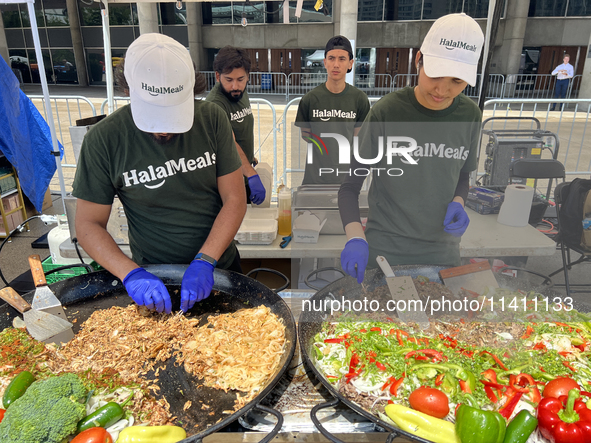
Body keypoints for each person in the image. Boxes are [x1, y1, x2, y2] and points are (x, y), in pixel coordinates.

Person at [72, 33, 246, 313]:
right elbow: (88, 225)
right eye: (154, 116)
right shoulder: (105, 140)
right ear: (128, 90)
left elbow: (235, 199)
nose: (164, 129)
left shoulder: (212, 119)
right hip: (152, 279)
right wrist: (130, 273)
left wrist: (205, 260)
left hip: (218, 267)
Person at [338, 13, 484, 283]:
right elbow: (349, 187)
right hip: (385, 255)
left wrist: (459, 202)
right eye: (436, 75)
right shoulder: (387, 112)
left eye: (457, 81)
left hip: (443, 255)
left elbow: (463, 174)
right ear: (419, 60)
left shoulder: (470, 115)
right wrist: (355, 238)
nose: (442, 90)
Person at [295, 36, 371, 185]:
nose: (336, 64)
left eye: (342, 59)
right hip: (314, 179)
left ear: (350, 63)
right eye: (331, 58)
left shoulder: (359, 99)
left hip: (346, 180)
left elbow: (357, 140)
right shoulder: (310, 99)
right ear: (325, 62)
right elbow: (306, 135)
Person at [206, 46, 266, 205]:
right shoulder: (215, 104)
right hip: (227, 184)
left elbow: (241, 126)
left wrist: (248, 156)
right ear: (218, 76)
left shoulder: (240, 92)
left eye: (240, 79)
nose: (235, 86)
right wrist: (251, 174)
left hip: (243, 173)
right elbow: (229, 143)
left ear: (248, 76)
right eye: (229, 80)